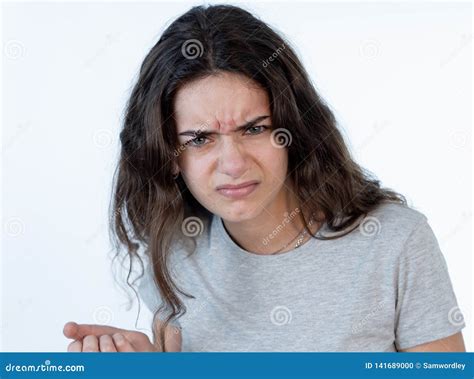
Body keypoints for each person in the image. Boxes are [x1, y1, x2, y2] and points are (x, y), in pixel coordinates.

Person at [63, 4, 466, 352]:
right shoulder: (175, 250)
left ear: (292, 131)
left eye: (254, 129)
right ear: (168, 154)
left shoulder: (395, 242)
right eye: (200, 139)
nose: (233, 163)